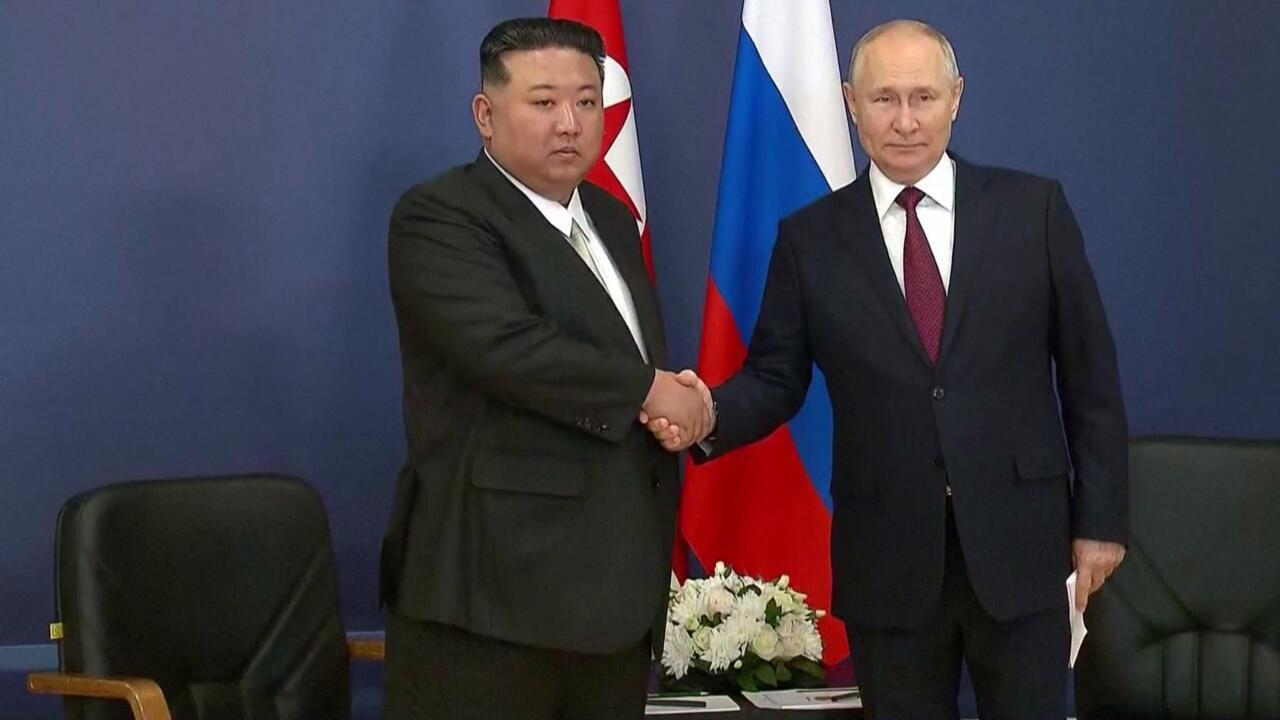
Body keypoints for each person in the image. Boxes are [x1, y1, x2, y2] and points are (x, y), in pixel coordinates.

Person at [651, 19, 1128, 719]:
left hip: (1022, 549)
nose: (905, 121)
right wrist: (707, 412)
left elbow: (1092, 379)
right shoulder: (810, 240)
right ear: (851, 102)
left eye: (923, 97)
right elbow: (775, 379)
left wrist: (1101, 521)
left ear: (956, 98)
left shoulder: (1033, 211)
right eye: (884, 99)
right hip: (888, 560)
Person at [380, 17, 710, 720]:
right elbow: (510, 349)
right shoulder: (440, 216)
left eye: (587, 101)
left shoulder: (613, 221)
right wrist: (650, 391)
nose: (570, 122)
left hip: (613, 603)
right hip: (493, 603)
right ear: (485, 114)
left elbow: (622, 360)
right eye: (544, 102)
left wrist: (676, 408)